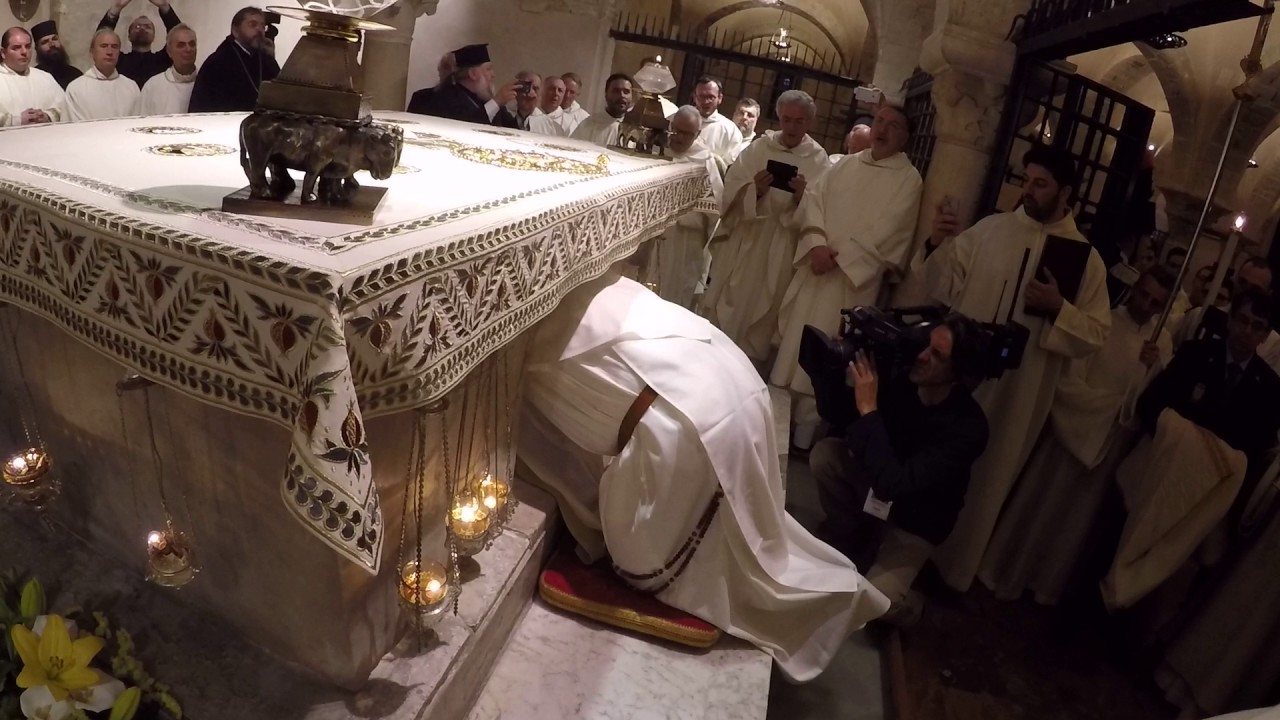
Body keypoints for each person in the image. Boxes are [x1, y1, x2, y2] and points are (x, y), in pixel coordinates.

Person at [517, 272, 890, 683]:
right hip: (733, 382)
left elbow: (565, 466)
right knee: (752, 538)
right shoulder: (593, 282)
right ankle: (832, 594)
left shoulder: (528, 340)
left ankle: (817, 608)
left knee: (641, 559)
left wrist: (600, 524)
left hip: (688, 424)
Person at [915, 143, 1112, 591]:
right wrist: (937, 243)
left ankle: (953, 573)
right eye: (1027, 180)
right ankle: (912, 549)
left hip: (1022, 391)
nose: (1029, 190)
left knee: (991, 474)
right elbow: (943, 283)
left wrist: (1059, 308)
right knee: (942, 458)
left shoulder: (1087, 261)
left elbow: (1097, 334)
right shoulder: (992, 230)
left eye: (1041, 184)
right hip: (967, 378)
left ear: (1066, 193)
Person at [978, 266, 1176, 605]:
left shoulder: (1163, 341)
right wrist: (1108, 411)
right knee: (1039, 507)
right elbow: (1068, 382)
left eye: (1156, 302)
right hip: (1071, 433)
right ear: (1135, 288)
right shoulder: (1103, 323)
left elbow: (1153, 399)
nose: (1146, 305)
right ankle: (1003, 572)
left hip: (1110, 446)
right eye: (1143, 294)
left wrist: (1155, 367)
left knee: (1071, 524)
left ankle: (1043, 587)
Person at [1101, 288, 1280, 609]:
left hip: (1203, 494)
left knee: (1163, 573)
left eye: (1257, 326)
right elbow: (1152, 403)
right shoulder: (1195, 354)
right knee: (1115, 544)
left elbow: (1254, 448)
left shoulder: (1269, 387)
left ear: (1266, 335)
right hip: (1159, 471)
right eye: (1242, 320)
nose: (1246, 331)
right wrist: (1181, 437)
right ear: (1229, 320)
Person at [809, 315, 989, 622]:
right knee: (826, 455)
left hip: (913, 521)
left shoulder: (969, 429)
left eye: (937, 355)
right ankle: (851, 533)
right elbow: (838, 416)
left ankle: (915, 606)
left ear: (958, 373)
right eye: (926, 345)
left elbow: (894, 483)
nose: (922, 356)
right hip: (876, 493)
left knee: (878, 603)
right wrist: (833, 367)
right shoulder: (902, 380)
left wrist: (869, 409)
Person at [771, 105, 923, 449]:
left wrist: (841, 259)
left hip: (851, 282)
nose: (882, 129)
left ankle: (805, 440)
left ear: (905, 137)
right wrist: (815, 244)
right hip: (818, 270)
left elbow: (892, 230)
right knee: (797, 347)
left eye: (893, 125)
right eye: (879, 121)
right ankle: (775, 427)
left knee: (830, 357)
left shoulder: (908, 179)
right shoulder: (846, 165)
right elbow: (814, 200)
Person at [701, 90, 828, 367]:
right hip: (749, 237)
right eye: (787, 119)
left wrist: (802, 197)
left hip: (784, 245)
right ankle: (715, 362)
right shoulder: (760, 148)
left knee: (768, 309)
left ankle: (751, 369)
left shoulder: (818, 159)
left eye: (799, 121)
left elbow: (823, 207)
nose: (791, 127)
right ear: (779, 117)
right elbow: (732, 186)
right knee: (734, 300)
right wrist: (754, 191)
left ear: (809, 122)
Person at [648, 106, 723, 309]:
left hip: (685, 240)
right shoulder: (656, 150)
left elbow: (715, 212)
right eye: (676, 130)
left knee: (674, 295)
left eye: (686, 133)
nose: (679, 137)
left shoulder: (705, 163)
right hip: (652, 234)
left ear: (697, 134)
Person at [188, 7, 279, 113]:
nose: (259, 30)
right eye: (253, 24)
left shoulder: (268, 62)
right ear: (235, 31)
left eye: (263, 26)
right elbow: (202, 106)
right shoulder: (217, 63)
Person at [420, 43, 518, 128]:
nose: (493, 75)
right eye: (488, 69)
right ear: (473, 74)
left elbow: (511, 130)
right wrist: (497, 102)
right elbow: (466, 126)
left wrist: (523, 110)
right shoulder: (446, 98)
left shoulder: (487, 100)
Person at [97, 0, 183, 88]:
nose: (142, 28)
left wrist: (165, 7)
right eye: (137, 26)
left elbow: (180, 37)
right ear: (129, 35)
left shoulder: (163, 60)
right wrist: (115, 10)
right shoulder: (118, 60)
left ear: (154, 36)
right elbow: (101, 39)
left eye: (147, 27)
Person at [66, 30, 140, 121]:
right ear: (92, 52)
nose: (109, 52)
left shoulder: (131, 87)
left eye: (114, 47)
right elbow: (72, 126)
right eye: (104, 46)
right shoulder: (76, 88)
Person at [0, 27, 67, 126]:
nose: (24, 52)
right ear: (3, 53)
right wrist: (16, 120)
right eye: (16, 47)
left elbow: (65, 107)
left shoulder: (45, 77)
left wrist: (47, 116)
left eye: (27, 46)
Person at [137, 24, 196, 115]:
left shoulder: (205, 83)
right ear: (169, 52)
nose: (188, 49)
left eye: (192, 44)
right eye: (181, 45)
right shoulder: (153, 86)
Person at [568, 73, 632, 147]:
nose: (622, 95)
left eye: (626, 92)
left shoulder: (635, 130)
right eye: (616, 91)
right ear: (606, 94)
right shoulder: (589, 124)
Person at [690, 76, 742, 162]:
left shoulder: (730, 130)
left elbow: (730, 164)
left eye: (711, 97)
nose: (706, 101)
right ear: (694, 97)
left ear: (720, 98)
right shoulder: (681, 121)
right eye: (701, 96)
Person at [30, 21, 81, 90]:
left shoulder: (76, 75)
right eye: (45, 42)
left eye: (54, 39)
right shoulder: (33, 78)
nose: (52, 44)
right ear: (37, 48)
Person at [511, 70, 559, 135]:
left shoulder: (546, 124)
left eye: (535, 88)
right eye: (526, 87)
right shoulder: (501, 116)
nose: (530, 93)